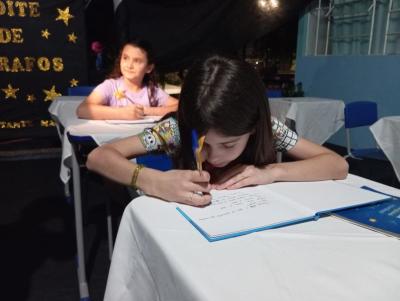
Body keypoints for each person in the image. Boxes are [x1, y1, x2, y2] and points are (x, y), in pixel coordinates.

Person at [86, 54, 349, 206]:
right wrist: (152, 180)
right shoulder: (175, 129)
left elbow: (337, 165)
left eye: (229, 145)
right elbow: (98, 157)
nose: (214, 158)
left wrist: (272, 171)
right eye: (204, 145)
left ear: (254, 128)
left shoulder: (269, 128)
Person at [76, 40, 179, 120]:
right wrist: (121, 113)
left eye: (137, 61)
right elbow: (82, 110)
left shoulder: (151, 91)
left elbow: (180, 106)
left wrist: (145, 111)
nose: (129, 65)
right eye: (125, 58)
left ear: (149, 68)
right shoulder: (111, 86)